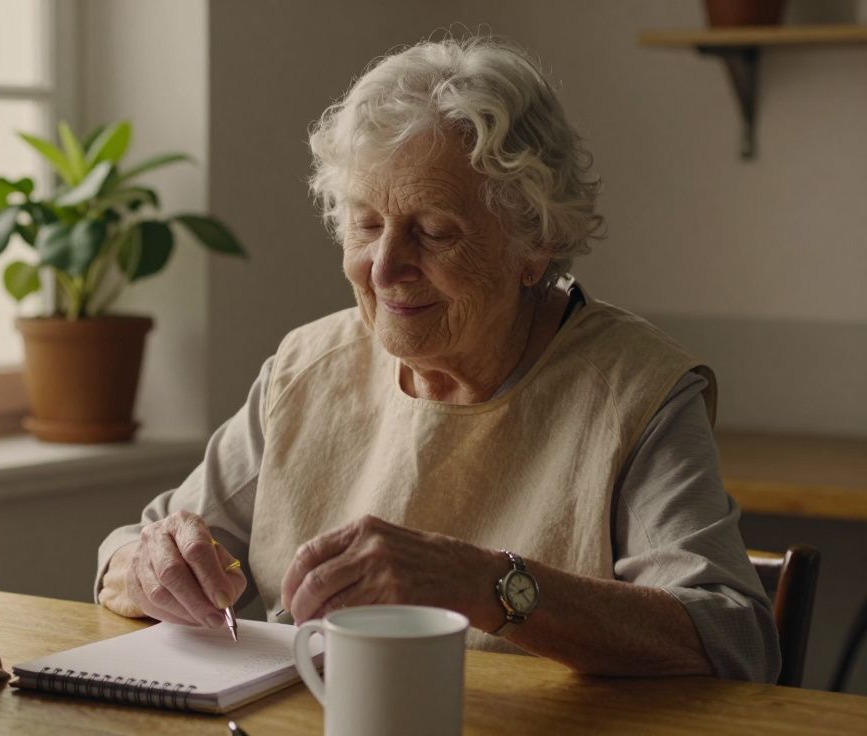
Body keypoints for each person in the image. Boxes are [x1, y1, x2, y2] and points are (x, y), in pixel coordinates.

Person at [95, 36, 779, 682]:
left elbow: (731, 637)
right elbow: (132, 550)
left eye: (433, 231)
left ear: (534, 242)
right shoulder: (308, 369)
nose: (386, 267)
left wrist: (484, 585)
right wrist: (148, 565)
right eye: (366, 224)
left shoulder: (633, 391)